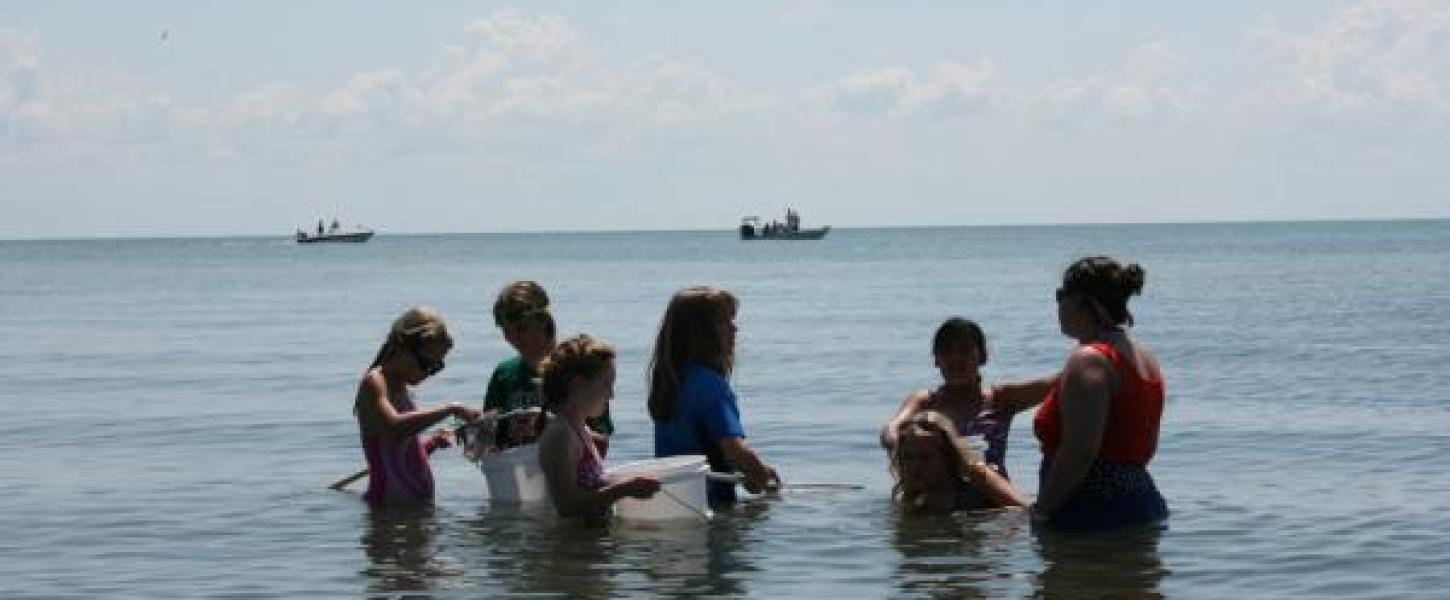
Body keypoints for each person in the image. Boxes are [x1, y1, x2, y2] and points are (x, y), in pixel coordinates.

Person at [1033, 256, 1169, 529]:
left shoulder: (1088, 360)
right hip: (1142, 501)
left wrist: (1043, 510)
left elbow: (1080, 450)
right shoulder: (1144, 357)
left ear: (1086, 303)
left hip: (1091, 509)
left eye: (1061, 295)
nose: (1058, 304)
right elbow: (1146, 447)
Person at [880, 317, 1057, 509]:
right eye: (947, 351)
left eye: (965, 350)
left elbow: (1061, 382)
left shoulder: (1001, 398)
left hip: (989, 498)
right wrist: (902, 449)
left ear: (982, 356)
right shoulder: (927, 401)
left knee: (979, 471)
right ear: (936, 360)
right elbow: (892, 429)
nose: (956, 358)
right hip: (935, 497)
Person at [649, 286, 779, 505]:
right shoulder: (709, 384)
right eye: (724, 322)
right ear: (699, 334)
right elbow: (733, 449)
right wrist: (761, 473)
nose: (734, 329)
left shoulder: (672, 380)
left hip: (676, 499)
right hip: (710, 501)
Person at [353, 306, 481, 507]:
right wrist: (451, 408)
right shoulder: (375, 383)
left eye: (436, 367)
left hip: (415, 510)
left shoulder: (402, 387)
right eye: (425, 363)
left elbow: (399, 449)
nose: (426, 373)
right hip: (389, 510)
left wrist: (430, 442)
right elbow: (394, 427)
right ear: (402, 347)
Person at [537, 334, 661, 518]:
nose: (611, 395)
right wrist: (624, 489)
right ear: (578, 385)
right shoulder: (560, 435)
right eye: (606, 385)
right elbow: (567, 506)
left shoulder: (580, 429)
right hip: (572, 546)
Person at [484, 281, 613, 454]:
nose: (512, 338)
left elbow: (601, 446)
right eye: (505, 331)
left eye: (522, 329)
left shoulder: (577, 366)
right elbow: (488, 444)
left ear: (544, 321)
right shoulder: (504, 374)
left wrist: (553, 427)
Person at [890, 410, 1028, 513]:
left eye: (926, 457)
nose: (915, 466)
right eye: (907, 457)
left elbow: (1024, 510)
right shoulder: (912, 496)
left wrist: (983, 517)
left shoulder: (976, 477)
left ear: (949, 456)